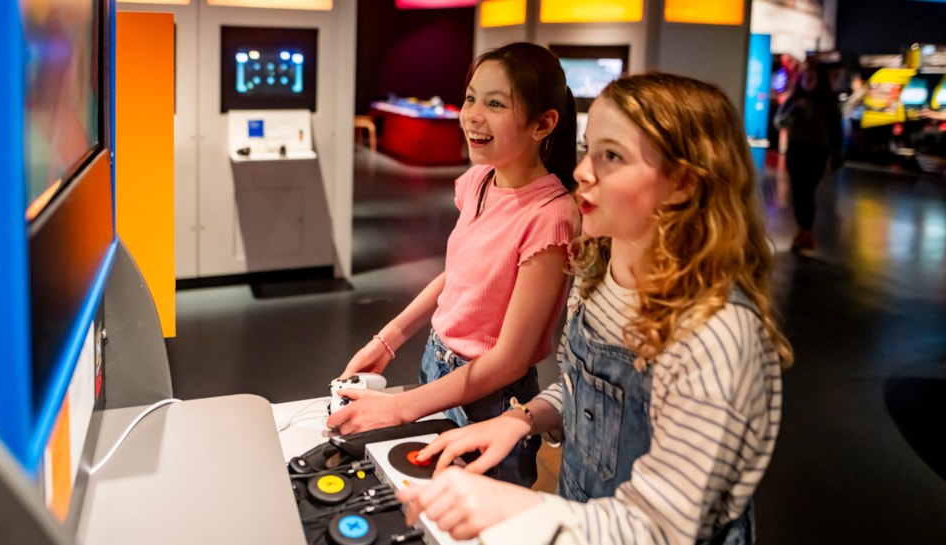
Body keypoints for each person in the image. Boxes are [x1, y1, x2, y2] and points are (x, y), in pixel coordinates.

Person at [396, 72, 795, 545]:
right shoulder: (596, 277)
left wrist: (515, 505)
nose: (584, 172)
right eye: (589, 150)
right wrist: (520, 419)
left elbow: (662, 527)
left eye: (611, 156)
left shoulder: (717, 335)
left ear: (683, 183)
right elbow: (584, 387)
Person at [326, 42, 580, 487]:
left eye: (496, 104)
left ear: (543, 124)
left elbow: (508, 361)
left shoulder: (550, 216)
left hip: (493, 397)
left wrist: (402, 407)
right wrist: (386, 341)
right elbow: (459, 272)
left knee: (486, 513)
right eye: (470, 98)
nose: (473, 115)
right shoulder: (480, 180)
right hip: (438, 364)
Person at [774, 60, 844, 254]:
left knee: (807, 191)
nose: (808, 81)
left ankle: (805, 231)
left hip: (817, 151)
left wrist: (837, 155)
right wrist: (796, 110)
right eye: (805, 77)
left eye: (812, 77)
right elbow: (779, 123)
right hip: (796, 149)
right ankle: (804, 231)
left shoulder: (829, 103)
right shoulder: (794, 99)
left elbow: (836, 130)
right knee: (798, 192)